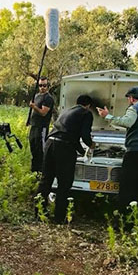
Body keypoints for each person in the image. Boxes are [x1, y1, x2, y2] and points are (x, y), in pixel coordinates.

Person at [96, 86, 138, 213]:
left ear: (131, 98)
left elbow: (127, 122)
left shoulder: (134, 108)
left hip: (135, 152)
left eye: (128, 98)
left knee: (127, 185)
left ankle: (123, 216)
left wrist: (107, 116)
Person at [37, 94, 95, 224]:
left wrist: (80, 151)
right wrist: (91, 145)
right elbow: (84, 135)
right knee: (64, 182)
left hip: (50, 143)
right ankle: (59, 217)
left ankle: (39, 212)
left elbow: (70, 134)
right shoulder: (86, 113)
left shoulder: (67, 111)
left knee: (46, 179)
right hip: (64, 147)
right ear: (88, 105)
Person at [28, 76, 55, 173]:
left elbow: (43, 113)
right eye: (40, 85)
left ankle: (42, 170)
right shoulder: (36, 96)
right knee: (33, 147)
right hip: (34, 126)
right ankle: (34, 170)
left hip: (42, 127)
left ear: (48, 86)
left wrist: (34, 107)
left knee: (40, 149)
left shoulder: (48, 98)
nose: (42, 87)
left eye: (44, 85)